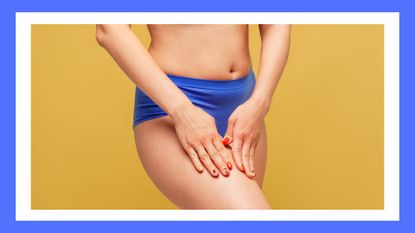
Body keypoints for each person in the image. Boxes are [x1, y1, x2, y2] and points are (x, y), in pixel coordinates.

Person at [96, 24, 291, 209]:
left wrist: (260, 102)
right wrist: (182, 111)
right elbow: (109, 28)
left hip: (245, 109)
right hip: (173, 107)